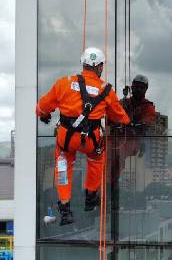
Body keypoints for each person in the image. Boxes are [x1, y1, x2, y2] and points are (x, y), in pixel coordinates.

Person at [35, 47, 130, 225]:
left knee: (63, 165)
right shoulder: (106, 90)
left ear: (83, 64)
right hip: (91, 140)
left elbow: (43, 106)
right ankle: (91, 197)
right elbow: (121, 117)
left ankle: (65, 208)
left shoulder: (64, 82)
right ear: (100, 67)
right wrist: (124, 120)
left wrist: (42, 114)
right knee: (96, 160)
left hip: (66, 138)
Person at [110, 74, 157, 181]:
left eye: (141, 87)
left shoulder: (147, 106)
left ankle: (114, 180)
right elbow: (114, 113)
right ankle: (111, 180)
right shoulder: (125, 102)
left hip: (134, 141)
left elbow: (149, 119)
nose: (138, 90)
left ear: (145, 89)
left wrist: (137, 124)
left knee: (117, 157)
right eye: (136, 87)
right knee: (112, 157)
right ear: (132, 87)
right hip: (120, 139)